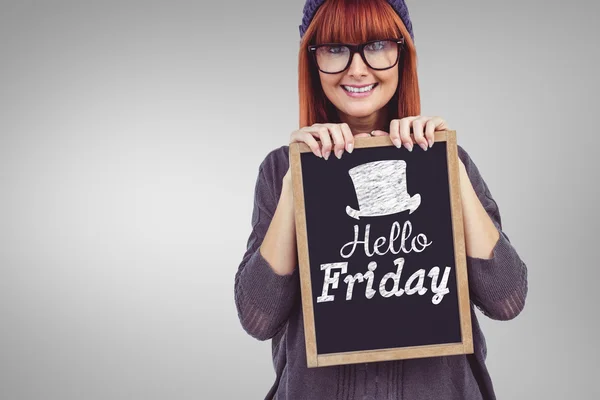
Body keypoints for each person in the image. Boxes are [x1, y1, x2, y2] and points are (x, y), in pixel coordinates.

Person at [234, 0, 529, 398]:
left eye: (376, 45)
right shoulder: (280, 170)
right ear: (313, 61)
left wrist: (447, 167)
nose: (357, 68)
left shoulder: (448, 161)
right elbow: (258, 317)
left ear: (402, 54)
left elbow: (506, 299)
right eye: (335, 48)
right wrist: (296, 180)